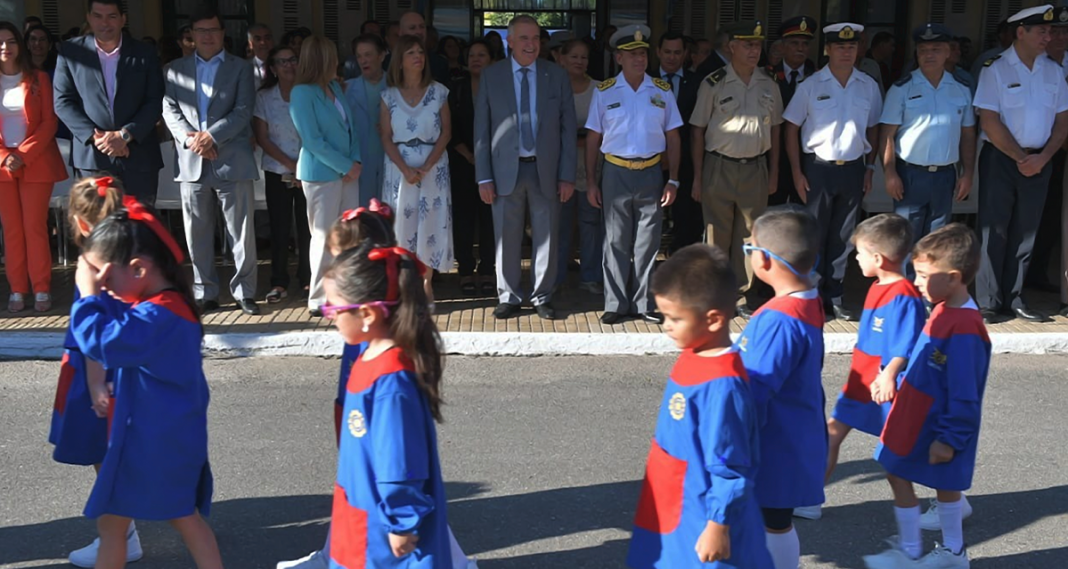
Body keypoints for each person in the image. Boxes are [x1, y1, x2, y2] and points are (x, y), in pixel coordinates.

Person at [70, 198, 221, 569]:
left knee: (124, 522)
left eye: (106, 276)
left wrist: (87, 295)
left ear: (138, 268)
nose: (103, 286)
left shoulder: (158, 314)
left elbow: (101, 342)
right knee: (176, 519)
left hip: (151, 443)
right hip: (167, 439)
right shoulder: (168, 306)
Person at [626, 244, 774, 569]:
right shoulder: (693, 351)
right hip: (673, 496)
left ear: (713, 319)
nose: (666, 325)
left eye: (675, 318)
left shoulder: (723, 386)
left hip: (701, 511)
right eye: (665, 316)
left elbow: (731, 462)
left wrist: (718, 525)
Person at [863, 223, 990, 569]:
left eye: (922, 274)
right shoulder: (942, 306)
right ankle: (922, 549)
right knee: (898, 470)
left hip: (937, 422)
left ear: (953, 277)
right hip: (916, 413)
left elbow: (966, 393)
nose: (915, 282)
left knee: (930, 478)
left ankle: (945, 552)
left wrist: (950, 438)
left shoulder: (964, 326)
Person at [321, 242, 451, 568]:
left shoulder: (391, 381)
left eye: (333, 309)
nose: (329, 317)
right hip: (361, 512)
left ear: (367, 314)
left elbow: (399, 459)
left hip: (382, 532)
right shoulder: (369, 358)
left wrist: (402, 521)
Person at [808, 214, 925, 522]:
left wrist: (888, 374)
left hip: (885, 385)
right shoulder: (876, 287)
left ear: (878, 258)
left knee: (900, 456)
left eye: (859, 252)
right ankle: (810, 498)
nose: (855, 257)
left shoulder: (904, 295)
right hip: (861, 381)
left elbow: (907, 342)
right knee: (831, 434)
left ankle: (950, 498)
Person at [50, 176, 137, 568]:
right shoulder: (131, 251)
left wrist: (92, 380)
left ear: (80, 222)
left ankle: (120, 537)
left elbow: (93, 330)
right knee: (123, 450)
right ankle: (130, 529)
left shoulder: (92, 262)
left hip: (97, 369)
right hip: (125, 364)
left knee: (105, 452)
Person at [734, 207, 825, 569]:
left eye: (750, 249)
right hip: (793, 435)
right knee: (777, 522)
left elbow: (754, 390)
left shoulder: (776, 320)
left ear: (766, 262)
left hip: (771, 442)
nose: (750, 254)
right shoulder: (808, 300)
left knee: (768, 522)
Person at [475, 15, 577, 321]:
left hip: (545, 169)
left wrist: (567, 174)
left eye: (535, 38)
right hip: (505, 170)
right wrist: (483, 176)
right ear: (509, 41)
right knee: (505, 236)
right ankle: (509, 296)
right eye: (523, 38)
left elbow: (568, 130)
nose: (531, 44)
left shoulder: (555, 75)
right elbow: (482, 129)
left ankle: (542, 296)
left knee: (547, 235)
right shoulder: (492, 76)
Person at [162, 4, 260, 316]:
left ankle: (244, 291)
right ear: (191, 35)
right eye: (201, 31)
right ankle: (205, 292)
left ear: (222, 33)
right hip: (192, 160)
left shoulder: (241, 68)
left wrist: (212, 136)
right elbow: (169, 108)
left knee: (240, 231)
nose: (207, 36)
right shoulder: (174, 69)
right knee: (197, 232)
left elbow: (244, 111)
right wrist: (192, 138)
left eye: (213, 30)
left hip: (231, 157)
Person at [973, 4, 1068, 324]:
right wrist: (1021, 157)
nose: (1049, 36)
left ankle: (1015, 298)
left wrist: (1043, 157)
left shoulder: (1054, 71)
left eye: (1050, 30)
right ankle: (988, 300)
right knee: (993, 231)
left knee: (1026, 232)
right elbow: (989, 120)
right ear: (1021, 33)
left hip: (1040, 160)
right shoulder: (995, 68)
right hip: (1002, 159)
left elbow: (1063, 121)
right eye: (1042, 30)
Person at [783, 22, 883, 321]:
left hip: (852, 168)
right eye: (840, 46)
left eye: (851, 47)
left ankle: (835, 295)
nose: (846, 52)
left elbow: (874, 128)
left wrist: (869, 166)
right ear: (827, 49)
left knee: (843, 235)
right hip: (818, 168)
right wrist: (797, 171)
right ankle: (811, 296)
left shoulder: (868, 85)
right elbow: (791, 128)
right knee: (814, 234)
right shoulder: (811, 85)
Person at [586, 24, 681, 325]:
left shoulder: (662, 91)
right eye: (632, 54)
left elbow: (674, 136)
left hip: (651, 172)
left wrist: (674, 179)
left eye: (642, 53)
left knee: (647, 242)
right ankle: (615, 304)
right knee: (614, 241)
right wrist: (590, 181)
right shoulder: (604, 91)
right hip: (615, 171)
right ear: (618, 58)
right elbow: (593, 138)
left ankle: (643, 303)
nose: (639, 59)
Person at [689, 21, 783, 318]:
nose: (754, 50)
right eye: (747, 44)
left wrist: (775, 172)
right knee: (716, 234)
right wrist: (697, 176)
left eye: (757, 45)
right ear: (732, 48)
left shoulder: (769, 83)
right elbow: (697, 131)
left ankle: (740, 295)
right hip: (719, 165)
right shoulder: (713, 82)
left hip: (756, 167)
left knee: (750, 236)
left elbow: (777, 131)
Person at [53, 0, 164, 206]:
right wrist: (97, 138)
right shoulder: (70, 52)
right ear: (88, 18)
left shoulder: (144, 53)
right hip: (92, 157)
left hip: (138, 156)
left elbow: (155, 101)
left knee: (139, 229)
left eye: (111, 16)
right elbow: (62, 102)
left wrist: (124, 136)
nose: (105, 23)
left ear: (123, 19)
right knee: (97, 230)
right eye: (98, 16)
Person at [880, 23, 977, 256]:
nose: (929, 55)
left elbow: (967, 136)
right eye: (923, 50)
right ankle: (907, 292)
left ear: (948, 52)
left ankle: (928, 292)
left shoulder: (961, 89)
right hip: (910, 175)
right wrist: (890, 172)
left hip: (945, 176)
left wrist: (967, 173)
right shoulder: (901, 88)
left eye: (936, 49)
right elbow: (887, 135)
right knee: (906, 241)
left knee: (937, 244)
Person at [289, 35, 362, 317]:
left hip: (347, 172)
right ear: (322, 60)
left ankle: (343, 290)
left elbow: (350, 128)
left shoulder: (334, 86)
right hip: (320, 174)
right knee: (322, 235)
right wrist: (346, 166)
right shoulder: (301, 94)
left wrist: (353, 161)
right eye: (333, 57)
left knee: (347, 236)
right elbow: (313, 140)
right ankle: (318, 297)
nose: (339, 62)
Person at [0, 21, 67, 314]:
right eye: (0, 42)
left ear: (20, 44)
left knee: (34, 227)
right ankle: (17, 289)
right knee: (11, 230)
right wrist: (5, 155)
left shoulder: (39, 78)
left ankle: (40, 287)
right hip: (2, 164)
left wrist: (23, 154)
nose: (6, 47)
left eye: (11, 41)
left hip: (36, 161)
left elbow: (49, 122)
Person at [380, 35, 453, 304]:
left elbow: (446, 133)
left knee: (431, 223)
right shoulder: (388, 96)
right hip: (399, 166)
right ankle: (404, 285)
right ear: (399, 60)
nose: (417, 57)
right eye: (410, 52)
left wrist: (426, 165)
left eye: (420, 52)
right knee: (402, 225)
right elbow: (386, 136)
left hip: (432, 165)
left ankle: (426, 283)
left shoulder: (439, 91)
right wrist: (406, 169)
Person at [255, 46, 311, 305]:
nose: (289, 65)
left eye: (293, 59)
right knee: (279, 228)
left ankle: (308, 278)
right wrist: (289, 163)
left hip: (309, 170)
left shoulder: (310, 92)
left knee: (307, 227)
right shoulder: (264, 96)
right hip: (277, 170)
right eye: (282, 62)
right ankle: (279, 281)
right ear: (273, 69)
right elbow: (262, 137)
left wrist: (302, 166)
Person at [554, 38, 603, 295]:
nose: (579, 61)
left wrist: (578, 136)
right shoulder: (552, 87)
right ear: (561, 58)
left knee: (590, 223)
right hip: (560, 168)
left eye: (583, 57)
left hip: (591, 167)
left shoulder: (600, 89)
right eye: (573, 56)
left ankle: (591, 277)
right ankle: (557, 277)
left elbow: (605, 129)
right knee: (560, 226)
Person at [449, 39, 496, 297]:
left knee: (489, 219)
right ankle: (465, 269)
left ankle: (488, 269)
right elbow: (448, 126)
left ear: (492, 60)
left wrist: (488, 156)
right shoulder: (455, 89)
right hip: (461, 162)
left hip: (494, 163)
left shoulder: (501, 89)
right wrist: (468, 154)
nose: (476, 59)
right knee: (464, 219)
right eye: (471, 55)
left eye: (482, 55)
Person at [1028, 6, 1068, 293]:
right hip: (1037, 151)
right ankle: (1024, 274)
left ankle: (1040, 272)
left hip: (1062, 150)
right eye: (1055, 32)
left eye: (1066, 32)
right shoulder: (1034, 65)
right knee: (1031, 216)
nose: (1061, 37)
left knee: (1055, 217)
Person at [657, 31, 702, 255]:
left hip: (685, 160)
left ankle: (679, 261)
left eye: (677, 52)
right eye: (667, 52)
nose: (672, 57)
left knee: (686, 214)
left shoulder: (696, 83)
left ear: (685, 54)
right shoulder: (644, 80)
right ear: (658, 52)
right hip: (651, 160)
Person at [768, 15, 817, 207]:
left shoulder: (818, 76)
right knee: (770, 214)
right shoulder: (768, 76)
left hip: (806, 157)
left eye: (805, 44)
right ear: (783, 46)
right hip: (775, 155)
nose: (800, 48)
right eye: (794, 43)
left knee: (804, 215)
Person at [344, 33, 388, 206]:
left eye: (368, 55)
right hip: (360, 161)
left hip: (390, 158)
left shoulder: (396, 85)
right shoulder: (346, 88)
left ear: (382, 55)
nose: (363, 61)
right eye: (359, 56)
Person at [393, 12, 450, 85]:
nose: (419, 31)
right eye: (412, 28)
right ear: (400, 33)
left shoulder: (440, 63)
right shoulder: (387, 62)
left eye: (422, 27)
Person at [247, 22, 274, 87]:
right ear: (250, 44)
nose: (263, 43)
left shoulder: (283, 65)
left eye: (267, 38)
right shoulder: (244, 68)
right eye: (258, 39)